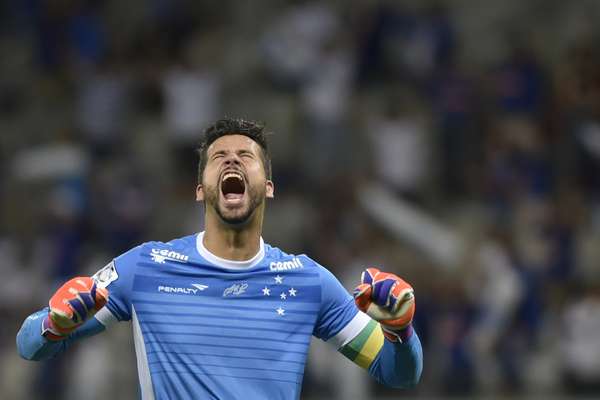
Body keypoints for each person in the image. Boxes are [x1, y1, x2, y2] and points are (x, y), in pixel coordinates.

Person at [17, 118, 423, 399]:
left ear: (268, 187)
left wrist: (400, 331)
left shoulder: (308, 282)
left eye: (245, 156)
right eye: (219, 156)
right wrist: (54, 324)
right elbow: (30, 345)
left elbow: (399, 373)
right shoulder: (144, 267)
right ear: (199, 189)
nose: (231, 160)